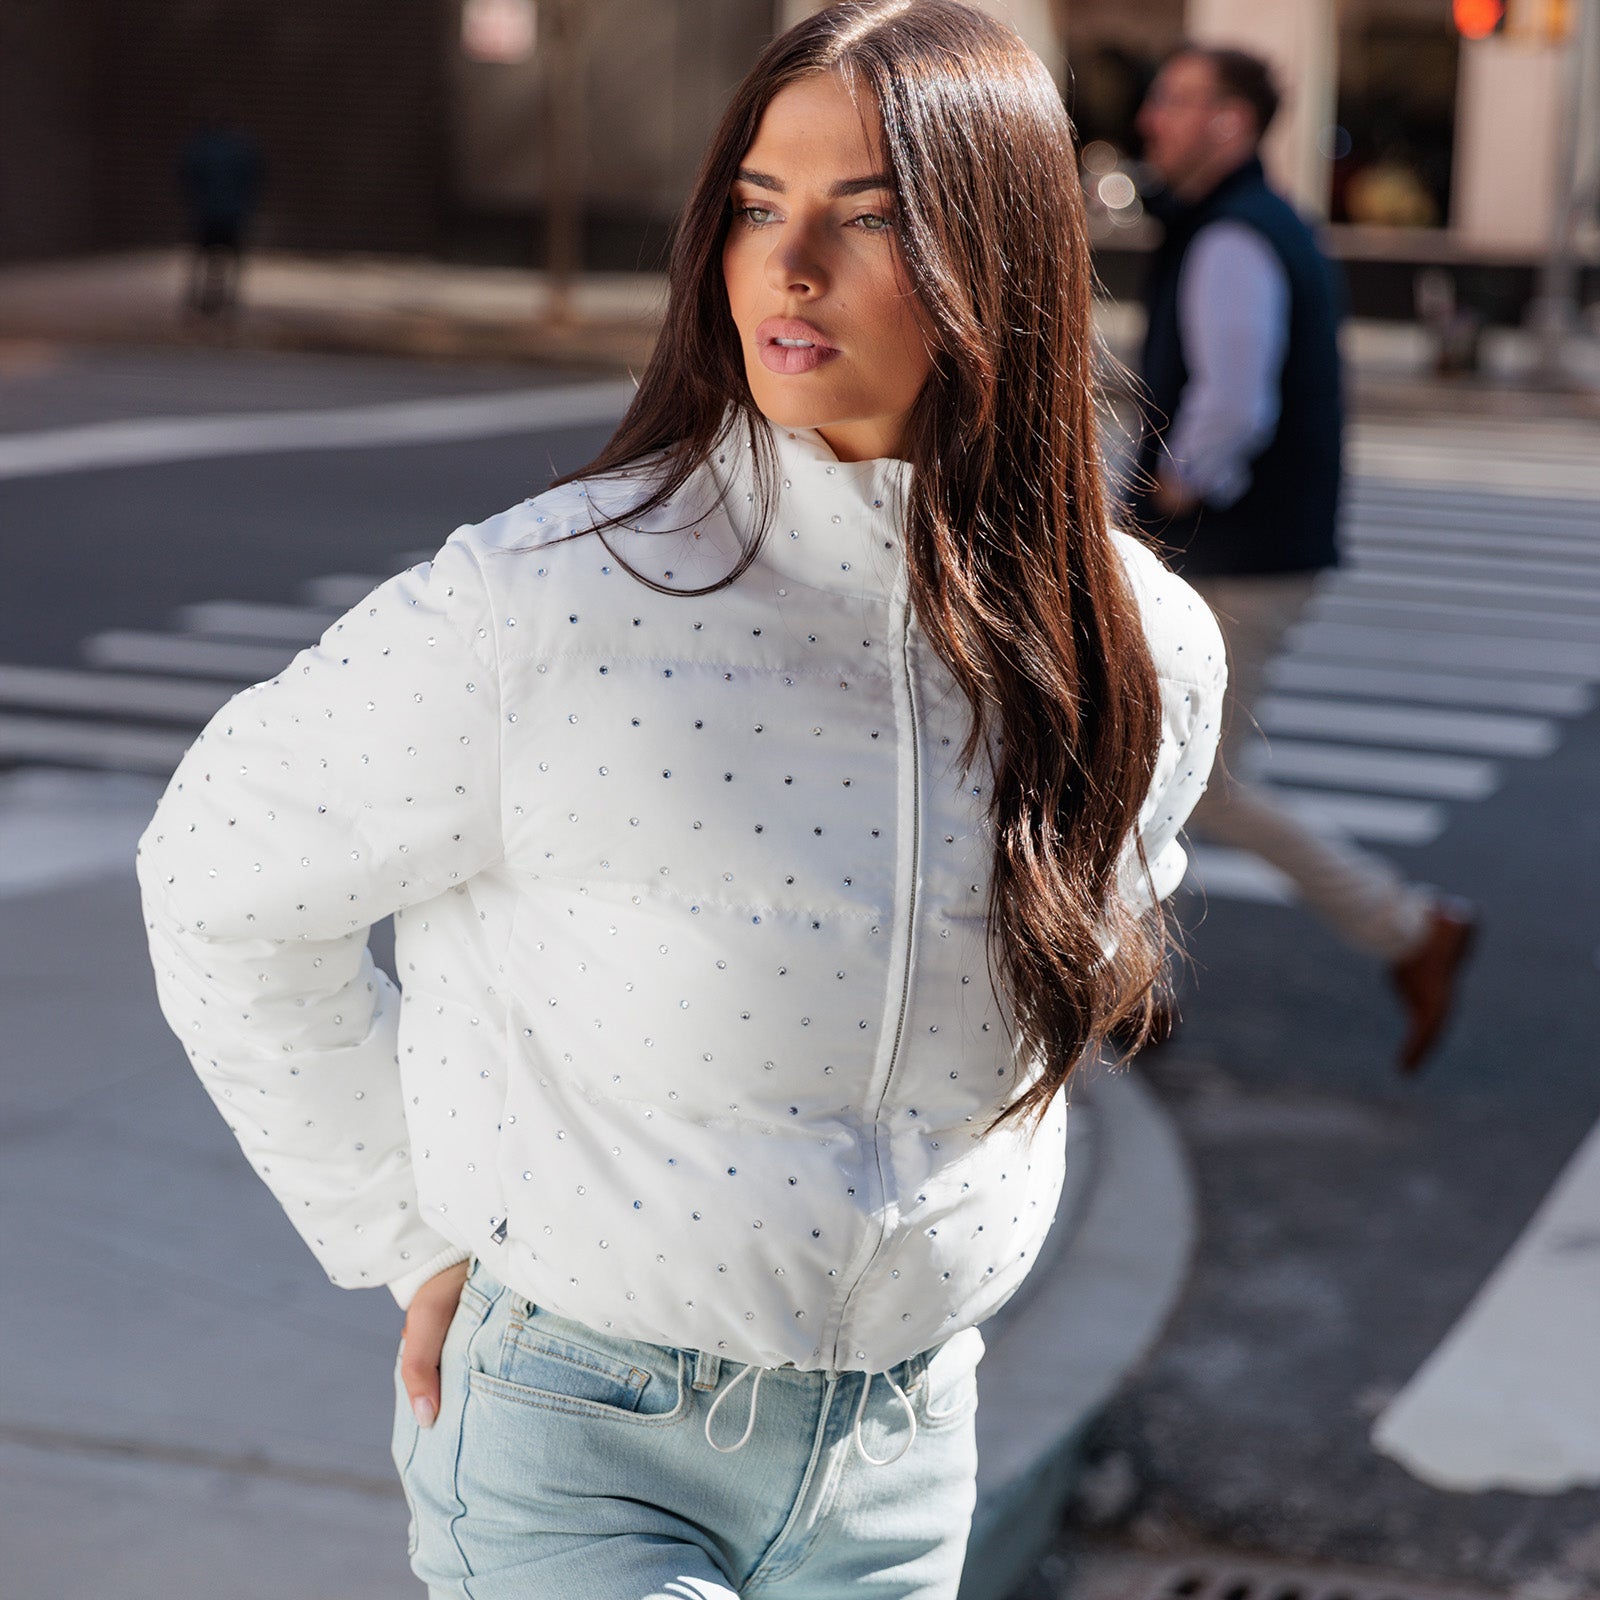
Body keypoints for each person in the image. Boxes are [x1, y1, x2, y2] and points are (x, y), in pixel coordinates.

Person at [136, 5, 1225, 1595]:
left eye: (868, 220)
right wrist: (401, 1227)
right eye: (757, 208)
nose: (788, 270)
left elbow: (1065, 972)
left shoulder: (1142, 647)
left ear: (1003, 260)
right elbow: (217, 871)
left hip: (904, 1459)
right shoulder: (554, 600)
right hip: (580, 1441)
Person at [1132, 43, 1476, 1075]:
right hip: (1247, 550)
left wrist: (1175, 482)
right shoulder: (1244, 223)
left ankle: (1411, 930)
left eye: (1177, 100)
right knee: (1151, 771)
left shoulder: (1231, 235)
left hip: (1232, 554)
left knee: (1194, 779)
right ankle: (1129, 990)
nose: (1153, 117)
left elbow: (1235, 397)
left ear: (1230, 124)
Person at [178, 115, 263, 316]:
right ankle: (231, 298)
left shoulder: (200, 148)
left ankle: (196, 297)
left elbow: (186, 176)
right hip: (233, 213)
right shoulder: (241, 150)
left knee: (201, 257)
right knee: (234, 257)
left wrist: (194, 201)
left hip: (206, 213)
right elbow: (255, 176)